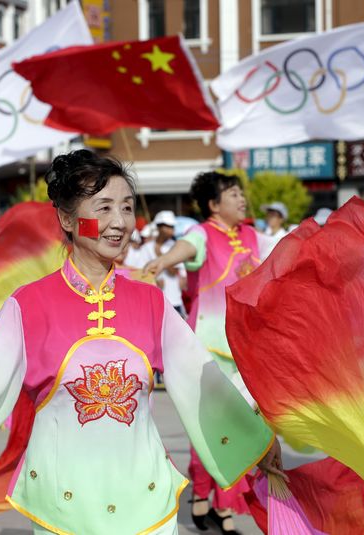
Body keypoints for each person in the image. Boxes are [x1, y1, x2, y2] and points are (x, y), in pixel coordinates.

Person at [0, 150, 283, 535]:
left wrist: (256, 441)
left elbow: (205, 382)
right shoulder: (29, 305)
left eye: (127, 207)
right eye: (104, 207)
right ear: (67, 218)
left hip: (148, 501)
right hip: (62, 506)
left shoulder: (150, 301)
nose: (120, 222)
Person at [143, 170, 263, 531]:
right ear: (214, 204)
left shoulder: (253, 236)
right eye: (233, 195)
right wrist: (164, 261)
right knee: (210, 425)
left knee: (242, 423)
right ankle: (219, 505)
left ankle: (204, 502)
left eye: (242, 194)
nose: (241, 199)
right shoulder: (204, 233)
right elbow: (188, 248)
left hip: (247, 346)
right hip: (210, 347)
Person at [134, 211, 186, 317]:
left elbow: (173, 272)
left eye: (172, 226)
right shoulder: (146, 248)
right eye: (167, 226)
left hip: (174, 301)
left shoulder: (176, 247)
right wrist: (153, 281)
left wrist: (160, 255)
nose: (170, 230)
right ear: (158, 227)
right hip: (153, 302)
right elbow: (139, 273)